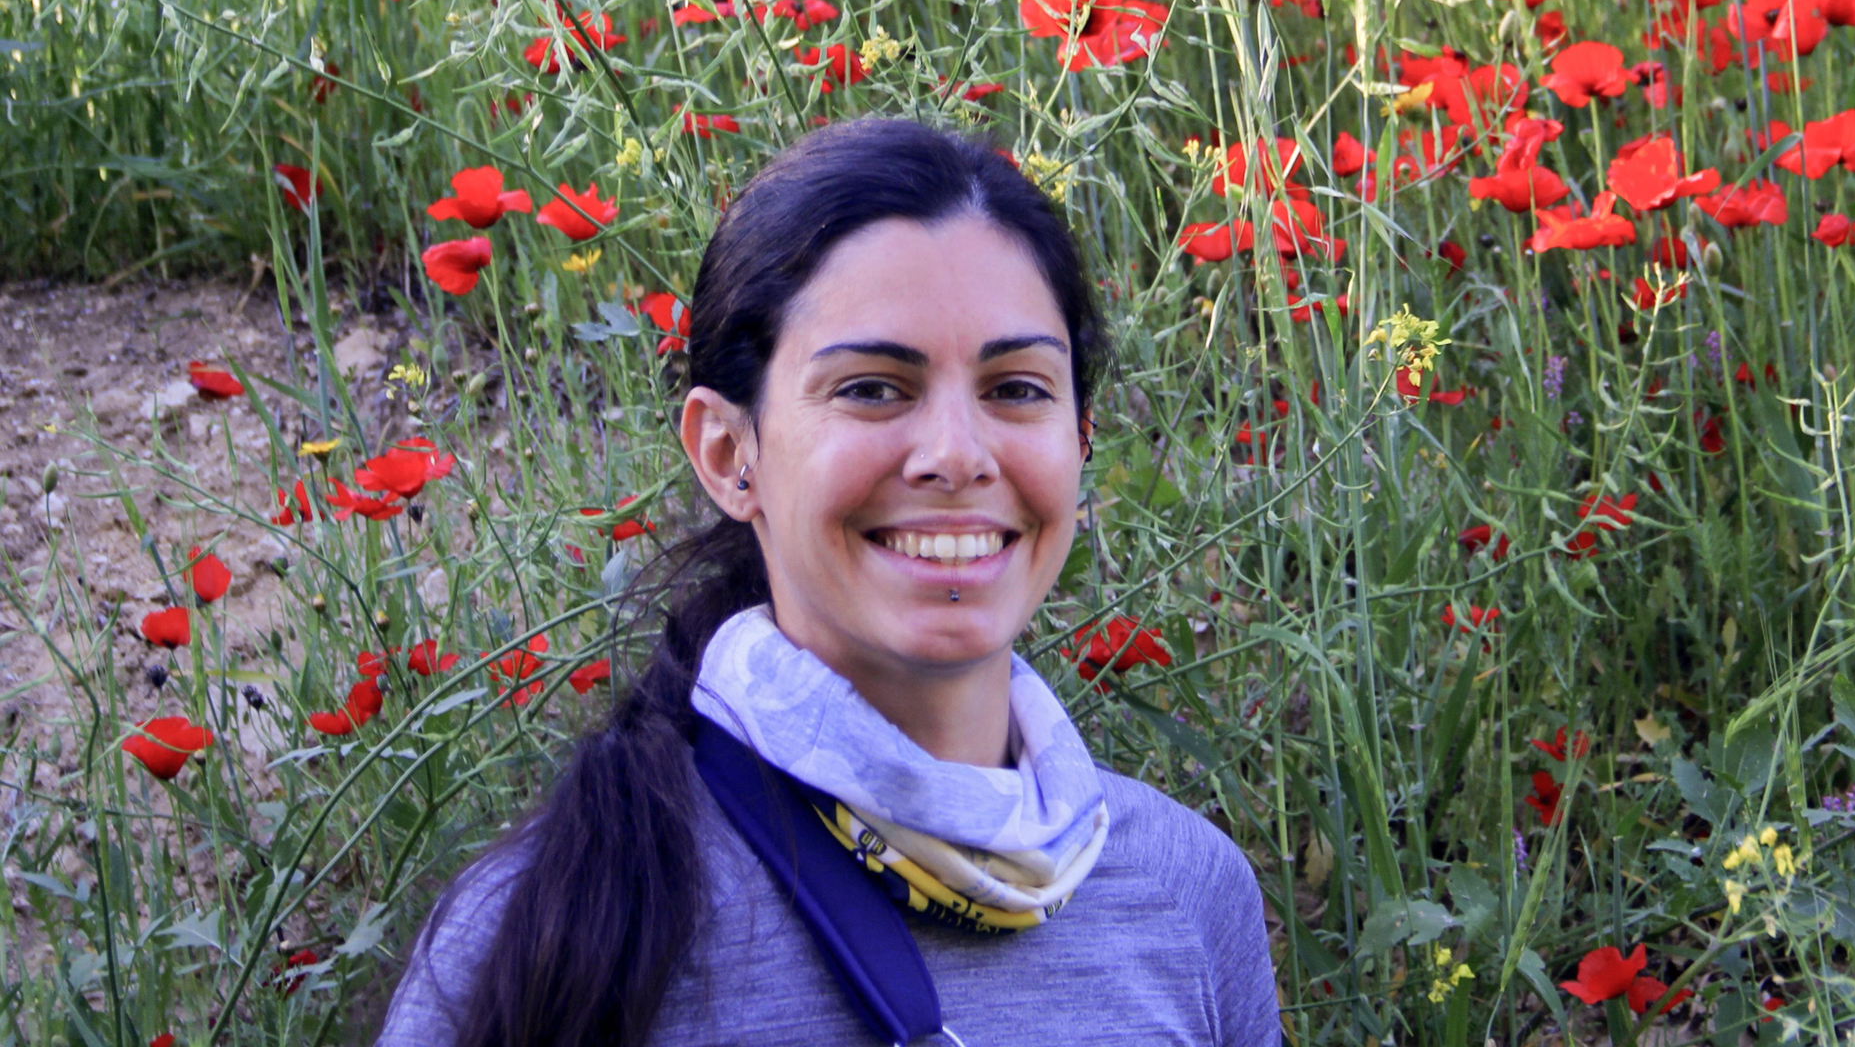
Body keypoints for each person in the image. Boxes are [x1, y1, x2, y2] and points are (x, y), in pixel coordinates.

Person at [376, 118, 1281, 1047]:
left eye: (1017, 388)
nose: (957, 455)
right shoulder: (556, 929)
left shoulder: (1186, 891)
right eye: (872, 388)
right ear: (728, 454)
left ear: (1081, 440)